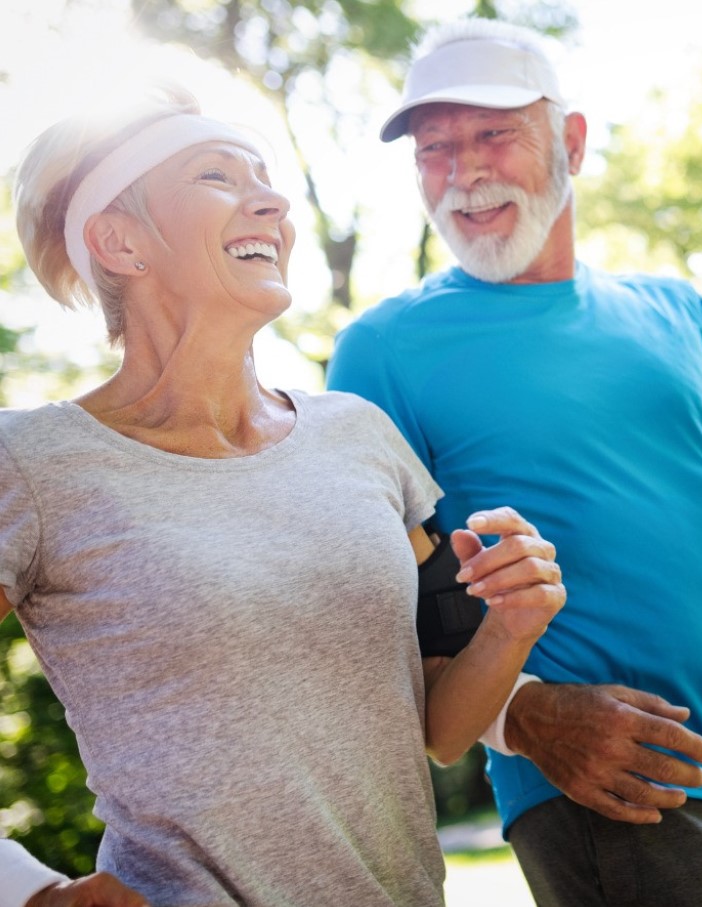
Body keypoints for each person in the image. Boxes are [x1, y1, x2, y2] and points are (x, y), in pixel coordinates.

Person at [327, 17, 702, 907]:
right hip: (597, 781)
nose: (463, 171)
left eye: (494, 135)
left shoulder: (674, 312)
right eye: (435, 149)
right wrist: (530, 718)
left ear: (571, 143)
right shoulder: (381, 351)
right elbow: (380, 613)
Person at [0, 84, 565, 907]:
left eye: (264, 176)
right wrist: (27, 888)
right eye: (217, 175)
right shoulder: (33, 462)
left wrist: (512, 626)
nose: (271, 201)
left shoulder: (360, 435)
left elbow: (441, 729)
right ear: (120, 241)